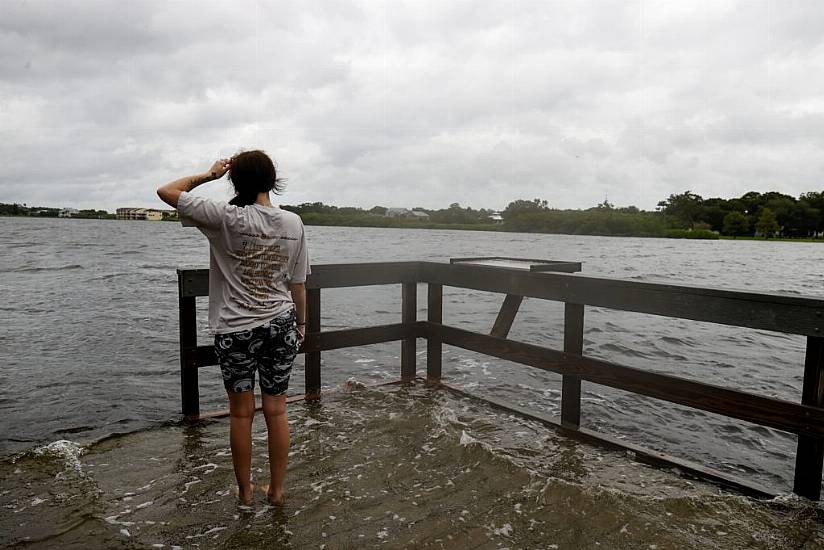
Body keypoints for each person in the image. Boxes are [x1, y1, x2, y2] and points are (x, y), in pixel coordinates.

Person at [157, 150, 309, 506]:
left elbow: (166, 191)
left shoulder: (225, 217)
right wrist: (301, 324)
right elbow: (298, 284)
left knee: (241, 414)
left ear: (236, 181)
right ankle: (277, 491)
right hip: (282, 324)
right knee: (277, 410)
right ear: (273, 181)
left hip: (236, 329)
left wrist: (209, 175)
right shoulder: (293, 223)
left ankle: (244, 493)